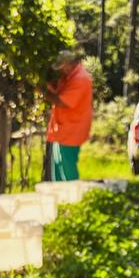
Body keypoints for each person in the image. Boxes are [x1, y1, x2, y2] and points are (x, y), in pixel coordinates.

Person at [45, 50, 93, 182]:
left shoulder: (80, 79)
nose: (61, 70)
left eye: (62, 67)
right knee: (58, 166)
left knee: (67, 168)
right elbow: (59, 93)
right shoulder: (70, 76)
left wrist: (43, 91)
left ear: (68, 64)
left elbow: (62, 102)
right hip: (63, 129)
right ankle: (60, 199)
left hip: (72, 130)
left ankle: (73, 200)